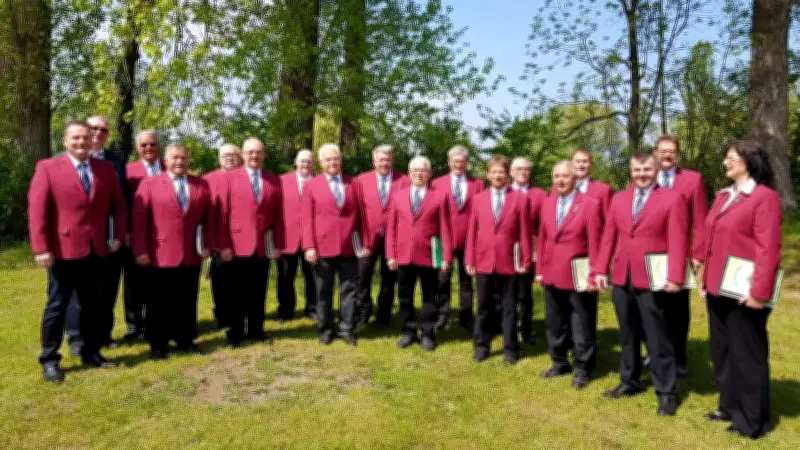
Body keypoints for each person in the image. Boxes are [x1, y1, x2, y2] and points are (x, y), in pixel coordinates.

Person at [28, 120, 127, 382]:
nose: (82, 142)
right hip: (63, 251)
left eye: (85, 137)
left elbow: (119, 205)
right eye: (76, 138)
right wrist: (41, 248)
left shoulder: (104, 169)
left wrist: (117, 236)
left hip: (97, 251)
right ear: (65, 141)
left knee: (94, 306)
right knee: (57, 306)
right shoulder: (48, 167)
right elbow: (37, 211)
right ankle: (50, 358)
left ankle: (91, 352)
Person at [593, 153, 688, 416]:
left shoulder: (672, 198)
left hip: (653, 279)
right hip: (622, 276)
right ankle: (629, 381)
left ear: (656, 170)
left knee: (658, 336)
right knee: (627, 333)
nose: (641, 174)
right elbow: (608, 237)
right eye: (637, 169)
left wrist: (675, 276)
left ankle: (666, 391)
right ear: (630, 170)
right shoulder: (619, 198)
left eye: (647, 169)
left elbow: (678, 240)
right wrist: (601, 269)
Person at [698, 140, 781, 439]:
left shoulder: (764, 198)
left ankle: (752, 419)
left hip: (746, 292)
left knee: (747, 355)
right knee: (723, 352)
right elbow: (711, 242)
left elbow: (768, 248)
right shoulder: (723, 197)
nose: (725, 163)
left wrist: (760, 292)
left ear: (748, 162)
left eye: (731, 158)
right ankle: (729, 406)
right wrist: (706, 281)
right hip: (719, 287)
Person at [131, 144, 215, 359]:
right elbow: (139, 221)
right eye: (175, 158)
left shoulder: (201, 185)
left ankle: (185, 339)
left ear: (188, 161)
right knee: (158, 302)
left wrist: (208, 245)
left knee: (186, 299)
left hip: (190, 254)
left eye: (183, 158)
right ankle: (158, 345)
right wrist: (140, 250)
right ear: (165, 161)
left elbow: (209, 220)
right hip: (159, 253)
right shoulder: (149, 184)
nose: (179, 162)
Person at [65, 115, 130, 354]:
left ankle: (103, 334)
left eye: (103, 129)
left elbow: (123, 202)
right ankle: (76, 337)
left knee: (107, 287)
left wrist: (121, 234)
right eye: (93, 128)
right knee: (76, 291)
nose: (97, 133)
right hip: (77, 238)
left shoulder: (116, 162)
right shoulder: (67, 162)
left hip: (109, 237)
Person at [536, 161, 602, 389]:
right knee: (555, 321)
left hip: (578, 273)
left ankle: (583, 368)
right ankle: (559, 361)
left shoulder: (590, 204)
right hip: (552, 271)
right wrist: (540, 270)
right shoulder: (547, 203)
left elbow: (596, 242)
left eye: (565, 176)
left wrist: (595, 273)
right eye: (556, 176)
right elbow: (543, 239)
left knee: (581, 321)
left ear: (575, 178)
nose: (560, 180)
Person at [465, 156, 531, 365]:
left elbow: (524, 233)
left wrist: (526, 260)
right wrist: (469, 259)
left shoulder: (520, 198)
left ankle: (511, 349)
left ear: (507, 174)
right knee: (483, 307)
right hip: (484, 261)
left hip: (509, 262)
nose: (497, 175)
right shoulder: (478, 199)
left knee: (510, 308)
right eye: (493, 172)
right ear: (488, 175)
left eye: (501, 172)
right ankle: (482, 346)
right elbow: (471, 232)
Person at [217, 138, 282, 347]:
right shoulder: (229, 178)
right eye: (250, 152)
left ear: (263, 155)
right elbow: (222, 213)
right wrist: (224, 245)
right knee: (235, 292)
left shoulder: (274, 180)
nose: (254, 156)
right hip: (236, 244)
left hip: (262, 245)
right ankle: (235, 333)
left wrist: (278, 243)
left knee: (258, 290)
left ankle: (255, 330)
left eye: (258, 152)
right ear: (243, 155)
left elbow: (279, 215)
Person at [653, 135, 708, 377]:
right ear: (655, 153)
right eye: (663, 151)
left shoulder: (692, 180)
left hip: (681, 255)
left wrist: (697, 256)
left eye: (671, 151)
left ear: (677, 155)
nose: (667, 155)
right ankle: (653, 353)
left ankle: (678, 358)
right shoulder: (644, 177)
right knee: (651, 307)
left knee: (677, 310)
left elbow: (701, 222)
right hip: (651, 255)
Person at [385, 156, 452, 351]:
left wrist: (446, 257)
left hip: (429, 256)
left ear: (429, 174)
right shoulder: (397, 196)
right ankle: (408, 331)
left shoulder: (440, 196)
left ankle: (428, 333)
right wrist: (390, 255)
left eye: (423, 171)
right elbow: (391, 228)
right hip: (403, 255)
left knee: (430, 296)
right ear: (409, 173)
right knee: (405, 296)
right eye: (415, 171)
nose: (418, 174)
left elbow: (446, 229)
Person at [302, 144, 366, 346]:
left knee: (349, 290)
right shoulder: (312, 185)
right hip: (322, 247)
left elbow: (362, 216)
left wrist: (364, 242)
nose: (332, 163)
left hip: (348, 246)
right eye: (328, 159)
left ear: (341, 160)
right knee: (323, 291)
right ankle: (326, 329)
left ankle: (347, 328)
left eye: (336, 159)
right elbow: (306, 218)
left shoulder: (353, 183)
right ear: (321, 163)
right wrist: (309, 246)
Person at [355, 145, 410, 327]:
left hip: (393, 239)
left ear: (392, 160)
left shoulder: (405, 181)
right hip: (366, 238)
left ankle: (384, 313)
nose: (384, 163)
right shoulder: (361, 181)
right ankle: (363, 311)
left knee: (390, 277)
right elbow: (354, 211)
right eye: (381, 160)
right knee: (363, 277)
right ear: (374, 161)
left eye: (387, 159)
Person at [432, 146, 485, 331]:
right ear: (449, 162)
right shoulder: (437, 183)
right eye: (455, 161)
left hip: (468, 240)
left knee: (466, 281)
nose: (458, 164)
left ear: (466, 163)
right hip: (443, 240)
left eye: (462, 161)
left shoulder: (477, 184)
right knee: (442, 279)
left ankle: (466, 316)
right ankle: (442, 315)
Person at [123, 131, 164, 340]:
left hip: (162, 235)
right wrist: (127, 231)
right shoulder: (128, 171)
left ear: (159, 146)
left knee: (157, 280)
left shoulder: (169, 166)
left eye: (153, 144)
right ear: (138, 147)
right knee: (133, 281)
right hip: (135, 233)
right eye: (144, 145)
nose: (149, 148)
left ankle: (155, 322)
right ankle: (133, 324)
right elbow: (122, 204)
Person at [203, 144, 242, 328]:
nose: (230, 158)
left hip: (243, 239)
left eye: (234, 155)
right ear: (219, 159)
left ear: (240, 157)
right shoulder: (208, 180)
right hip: (217, 238)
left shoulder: (247, 177)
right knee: (220, 282)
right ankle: (222, 316)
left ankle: (241, 315)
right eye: (225, 155)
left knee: (241, 282)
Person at [510, 157, 547, 344]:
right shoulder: (504, 192)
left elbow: (544, 225)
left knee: (524, 292)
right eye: (518, 169)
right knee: (505, 292)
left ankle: (525, 329)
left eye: (526, 169)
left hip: (529, 248)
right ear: (511, 172)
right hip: (505, 248)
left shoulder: (539, 194)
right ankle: (504, 327)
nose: (522, 172)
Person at [277, 149, 317, 321]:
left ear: (313, 164)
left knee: (313, 277)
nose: (305, 164)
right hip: (287, 238)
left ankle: (313, 309)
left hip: (313, 239)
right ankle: (286, 310)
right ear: (295, 162)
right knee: (285, 277)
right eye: (302, 161)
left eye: (309, 161)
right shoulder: (281, 181)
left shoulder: (319, 182)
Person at [571, 149, 614, 215]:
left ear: (591, 165)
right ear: (571, 164)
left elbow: (609, 221)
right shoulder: (559, 189)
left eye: (585, 162)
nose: (581, 165)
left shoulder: (604, 190)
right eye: (577, 161)